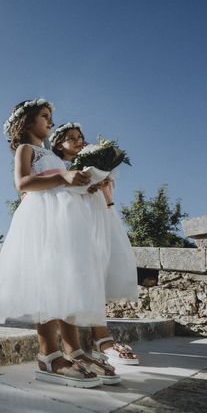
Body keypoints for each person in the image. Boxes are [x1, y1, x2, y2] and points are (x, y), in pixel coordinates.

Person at [0, 99, 107, 388]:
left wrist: (85, 187)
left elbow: (62, 183)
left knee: (64, 283)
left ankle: (72, 349)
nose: (50, 121)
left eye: (51, 117)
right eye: (45, 116)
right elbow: (23, 183)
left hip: (63, 220)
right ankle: (47, 352)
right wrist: (62, 176)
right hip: (41, 218)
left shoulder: (54, 156)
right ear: (27, 123)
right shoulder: (27, 150)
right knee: (46, 282)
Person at [51, 122, 139, 367]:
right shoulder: (57, 167)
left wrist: (101, 185)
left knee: (97, 271)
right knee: (80, 271)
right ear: (59, 143)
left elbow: (107, 194)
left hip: (97, 215)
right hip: (71, 221)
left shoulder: (91, 162)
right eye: (71, 138)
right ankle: (101, 338)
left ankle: (101, 338)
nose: (78, 141)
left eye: (80, 137)